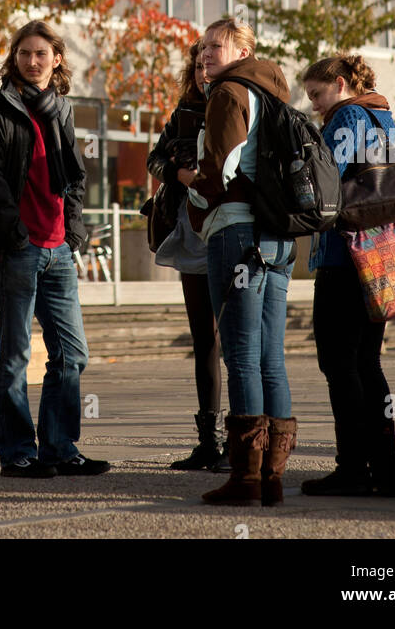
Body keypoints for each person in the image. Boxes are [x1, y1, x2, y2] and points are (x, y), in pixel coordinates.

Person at [0, 19, 109, 479]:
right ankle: (17, 452)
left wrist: (74, 232)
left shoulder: (61, 111)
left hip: (58, 248)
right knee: (15, 356)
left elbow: (76, 178)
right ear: (14, 58)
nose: (32, 60)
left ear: (57, 59)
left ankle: (60, 448)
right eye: (24, 53)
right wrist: (14, 234)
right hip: (18, 247)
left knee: (72, 353)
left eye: (41, 53)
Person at [184, 17, 297, 507]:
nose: (205, 53)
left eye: (216, 45)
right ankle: (271, 477)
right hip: (278, 237)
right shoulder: (272, 93)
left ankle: (245, 479)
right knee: (272, 358)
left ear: (243, 49)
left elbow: (218, 175)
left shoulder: (229, 93)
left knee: (242, 357)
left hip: (235, 232)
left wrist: (181, 173)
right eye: (203, 46)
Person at [300, 53, 395, 497]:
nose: (315, 105)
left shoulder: (348, 115)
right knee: (367, 363)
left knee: (339, 364)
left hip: (344, 258)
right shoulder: (381, 116)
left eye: (317, 95)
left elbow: (325, 181)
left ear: (339, 84)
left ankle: (353, 470)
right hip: (379, 257)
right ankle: (384, 469)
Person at [147, 40, 228, 472]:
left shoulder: (244, 106)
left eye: (209, 64)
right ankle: (208, 441)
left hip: (234, 233)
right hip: (192, 235)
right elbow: (153, 159)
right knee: (205, 340)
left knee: (238, 343)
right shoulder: (183, 113)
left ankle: (244, 438)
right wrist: (178, 172)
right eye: (197, 66)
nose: (202, 72)